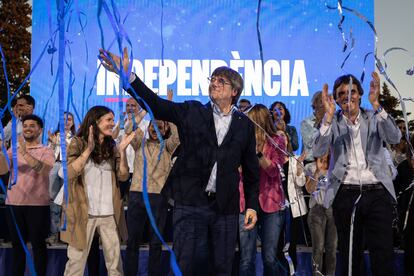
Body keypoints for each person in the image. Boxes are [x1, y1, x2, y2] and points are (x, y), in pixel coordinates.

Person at [99, 48, 260, 275]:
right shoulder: (192, 111)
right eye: (212, 79)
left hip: (225, 208)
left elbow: (252, 171)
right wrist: (128, 77)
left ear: (234, 91)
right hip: (190, 203)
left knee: (222, 267)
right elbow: (155, 104)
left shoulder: (245, 125)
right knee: (186, 265)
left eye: (221, 81)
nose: (214, 83)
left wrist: (252, 204)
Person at [313, 72, 401, 276]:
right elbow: (318, 151)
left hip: (378, 193)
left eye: (352, 91)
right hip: (346, 193)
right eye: (341, 93)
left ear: (360, 94)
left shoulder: (374, 116)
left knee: (383, 255)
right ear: (334, 99)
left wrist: (377, 104)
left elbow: (395, 137)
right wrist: (327, 117)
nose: (347, 96)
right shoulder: (332, 121)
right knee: (350, 257)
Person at [61, 106, 133, 276]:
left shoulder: (112, 145)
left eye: (113, 120)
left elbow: (123, 176)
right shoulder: (78, 142)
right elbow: (69, 172)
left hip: (109, 214)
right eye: (109, 120)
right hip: (83, 213)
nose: (112, 123)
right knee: (76, 265)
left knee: (115, 266)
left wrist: (121, 152)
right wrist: (88, 149)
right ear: (95, 121)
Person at [125, 89, 180, 276]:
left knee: (156, 242)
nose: (156, 129)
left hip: (158, 197)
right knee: (132, 240)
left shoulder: (168, 148)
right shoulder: (140, 143)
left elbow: (177, 135)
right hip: (136, 194)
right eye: (153, 126)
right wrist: (148, 110)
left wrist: (168, 108)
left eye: (160, 127)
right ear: (148, 128)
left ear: (166, 130)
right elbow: (129, 128)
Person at [0, 114, 55, 276]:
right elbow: (2, 170)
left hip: (37, 205)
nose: (28, 128)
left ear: (40, 129)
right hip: (13, 203)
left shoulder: (46, 150)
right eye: (25, 126)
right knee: (17, 246)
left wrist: (24, 152)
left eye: (32, 125)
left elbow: (44, 170)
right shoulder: (13, 149)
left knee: (38, 245)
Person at [238, 104, 285, 276]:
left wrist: (258, 154)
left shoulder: (277, 141)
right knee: (246, 258)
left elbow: (273, 171)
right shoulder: (242, 142)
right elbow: (239, 170)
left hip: (271, 202)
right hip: (247, 201)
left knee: (270, 258)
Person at [305, 152, 337, 276]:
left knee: (332, 248)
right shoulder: (310, 167)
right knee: (318, 248)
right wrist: (317, 171)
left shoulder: (335, 168)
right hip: (316, 210)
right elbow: (309, 189)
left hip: (332, 210)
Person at [47, 111, 76, 243]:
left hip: (68, 168)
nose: (66, 122)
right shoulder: (53, 136)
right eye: (63, 119)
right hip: (54, 167)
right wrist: (53, 143)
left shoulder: (76, 138)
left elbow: (74, 153)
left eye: (69, 119)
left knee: (66, 201)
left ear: (73, 122)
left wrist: (62, 142)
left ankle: (66, 235)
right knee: (53, 201)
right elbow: (48, 153)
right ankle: (54, 233)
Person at [113, 97, 149, 200]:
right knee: (119, 200)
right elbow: (112, 139)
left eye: (133, 105)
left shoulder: (146, 125)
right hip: (122, 168)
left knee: (135, 201)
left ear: (139, 108)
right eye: (128, 105)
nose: (130, 108)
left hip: (138, 170)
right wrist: (119, 123)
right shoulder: (120, 124)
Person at [301, 91, 324, 164]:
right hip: (311, 161)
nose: (324, 104)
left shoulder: (332, 121)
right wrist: (318, 123)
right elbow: (309, 144)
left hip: (327, 161)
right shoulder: (306, 122)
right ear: (315, 104)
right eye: (321, 101)